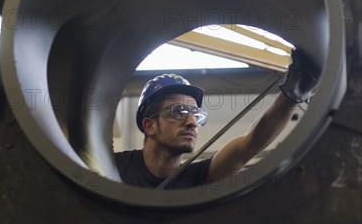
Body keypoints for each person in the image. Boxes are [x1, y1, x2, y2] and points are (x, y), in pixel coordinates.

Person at [115, 49, 319, 189]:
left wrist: (292, 95)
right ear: (149, 126)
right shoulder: (113, 167)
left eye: (196, 114)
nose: (192, 122)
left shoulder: (198, 178)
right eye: (178, 112)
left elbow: (249, 144)